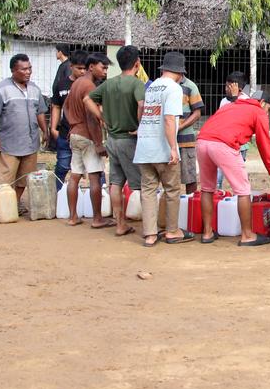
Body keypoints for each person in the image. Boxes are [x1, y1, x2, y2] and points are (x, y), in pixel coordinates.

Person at [197, 90, 270, 246]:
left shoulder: (230, 106)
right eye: (268, 109)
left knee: (207, 188)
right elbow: (264, 144)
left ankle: (207, 233)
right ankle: (247, 235)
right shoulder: (258, 111)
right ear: (262, 103)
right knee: (243, 190)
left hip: (202, 141)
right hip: (224, 145)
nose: (267, 114)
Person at [86, 45, 145, 238]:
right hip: (130, 139)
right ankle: (150, 228)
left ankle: (120, 224)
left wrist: (102, 117)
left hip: (112, 140)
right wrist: (140, 126)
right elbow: (142, 105)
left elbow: (87, 99)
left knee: (116, 182)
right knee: (144, 185)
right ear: (137, 63)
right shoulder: (137, 84)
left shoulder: (108, 84)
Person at [133, 52, 188, 247]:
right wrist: (173, 148)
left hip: (144, 148)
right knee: (172, 190)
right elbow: (169, 119)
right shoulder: (174, 89)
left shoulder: (151, 86)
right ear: (179, 73)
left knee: (148, 191)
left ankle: (150, 234)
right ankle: (172, 231)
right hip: (163, 148)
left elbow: (143, 112)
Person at [0, 54, 48, 205]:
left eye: (29, 68)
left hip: (30, 142)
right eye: (24, 69)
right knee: (5, 179)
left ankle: (14, 203)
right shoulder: (2, 89)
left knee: (24, 178)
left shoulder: (34, 89)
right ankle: (2, 207)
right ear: (13, 70)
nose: (28, 72)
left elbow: (40, 112)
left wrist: (45, 131)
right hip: (10, 143)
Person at [63, 53, 113, 228]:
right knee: (94, 177)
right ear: (91, 67)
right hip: (87, 135)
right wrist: (98, 143)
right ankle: (98, 219)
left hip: (74, 134)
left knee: (75, 176)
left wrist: (73, 122)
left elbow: (66, 107)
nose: (105, 72)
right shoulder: (89, 86)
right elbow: (91, 117)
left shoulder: (76, 83)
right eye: (103, 67)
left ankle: (72, 216)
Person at [49, 50, 87, 191]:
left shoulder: (90, 84)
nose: (82, 71)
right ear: (71, 66)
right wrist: (53, 128)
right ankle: (57, 196)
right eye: (79, 68)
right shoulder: (62, 84)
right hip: (65, 134)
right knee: (62, 167)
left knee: (94, 170)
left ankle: (100, 198)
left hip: (87, 135)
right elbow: (56, 106)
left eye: (85, 68)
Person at [217, 71, 250, 189]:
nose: (225, 89)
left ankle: (241, 194)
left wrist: (235, 98)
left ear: (238, 88)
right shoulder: (224, 101)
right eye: (225, 86)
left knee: (238, 174)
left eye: (229, 87)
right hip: (223, 143)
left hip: (239, 145)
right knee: (219, 173)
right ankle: (217, 192)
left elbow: (240, 118)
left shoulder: (246, 100)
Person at [177, 70, 204, 196]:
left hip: (186, 140)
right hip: (166, 141)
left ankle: (191, 204)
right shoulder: (164, 84)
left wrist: (180, 127)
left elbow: (197, 113)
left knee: (190, 178)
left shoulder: (190, 86)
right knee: (169, 180)